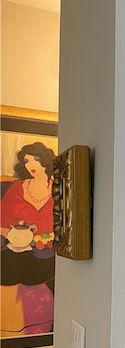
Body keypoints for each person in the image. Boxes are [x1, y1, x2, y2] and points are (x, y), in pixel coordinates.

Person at [1, 142, 56, 337]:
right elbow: (2, 223)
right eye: (26, 160)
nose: (30, 164)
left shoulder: (59, 188)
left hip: (49, 252)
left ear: (46, 162)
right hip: (17, 250)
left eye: (36, 159)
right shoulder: (17, 187)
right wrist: (13, 235)